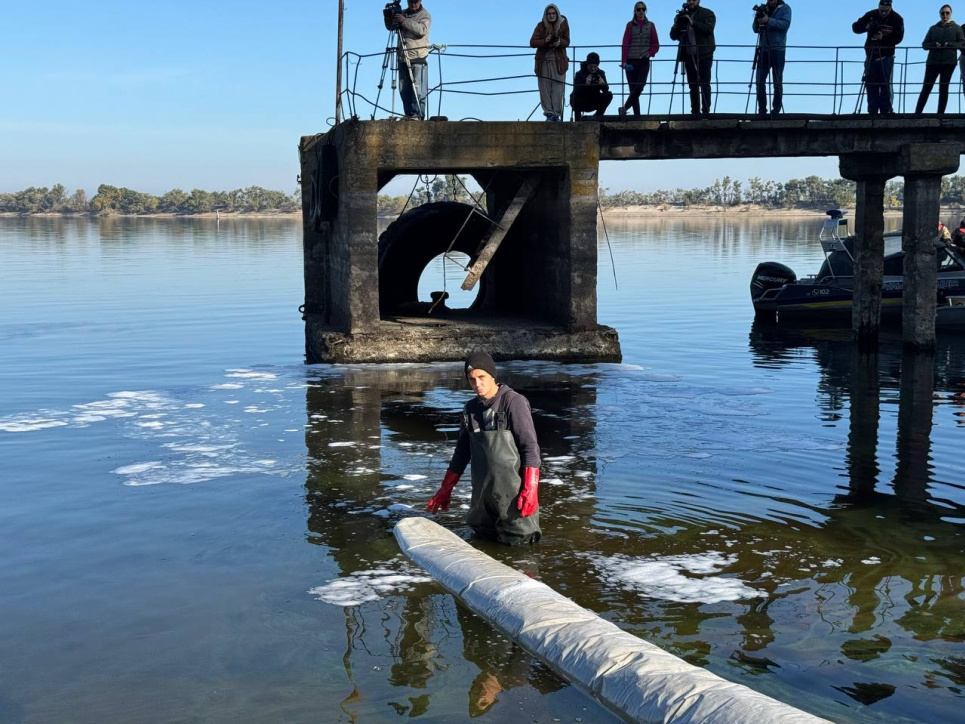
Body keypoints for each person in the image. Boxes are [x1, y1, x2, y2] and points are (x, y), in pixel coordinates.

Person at [427, 352, 542, 546]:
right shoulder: (470, 409)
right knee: (482, 543)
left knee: (521, 545)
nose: (477, 384)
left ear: (492, 376)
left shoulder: (513, 402)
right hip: (482, 502)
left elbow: (530, 448)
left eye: (482, 377)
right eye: (472, 380)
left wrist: (531, 490)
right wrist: (445, 489)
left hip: (514, 499)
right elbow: (462, 453)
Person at [852, 1, 905, 115]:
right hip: (871, 55)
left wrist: (883, 38)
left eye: (886, 10)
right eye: (881, 10)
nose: (883, 13)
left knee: (885, 84)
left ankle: (886, 110)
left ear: (890, 8)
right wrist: (866, 27)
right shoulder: (871, 14)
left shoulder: (897, 19)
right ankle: (872, 111)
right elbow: (855, 27)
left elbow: (899, 38)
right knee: (870, 84)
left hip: (886, 55)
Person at [915, 5, 965, 115]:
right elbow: (924, 44)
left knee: (943, 88)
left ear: (951, 14)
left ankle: (940, 114)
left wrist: (949, 44)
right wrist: (934, 44)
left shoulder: (957, 28)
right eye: (943, 13)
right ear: (939, 14)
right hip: (933, 62)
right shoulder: (933, 28)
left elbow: (962, 44)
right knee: (926, 87)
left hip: (948, 62)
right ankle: (917, 113)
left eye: (947, 13)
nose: (945, 15)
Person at [669, 0, 717, 116]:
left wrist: (692, 22)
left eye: (694, 0)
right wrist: (677, 24)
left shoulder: (707, 13)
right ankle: (695, 112)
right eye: (689, 0)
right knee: (693, 85)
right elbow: (673, 36)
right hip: (688, 55)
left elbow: (708, 29)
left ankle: (706, 112)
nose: (691, 2)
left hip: (704, 54)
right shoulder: (681, 16)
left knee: (704, 83)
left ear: (698, 1)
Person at [391, 0, 432, 120]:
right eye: (410, 2)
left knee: (418, 89)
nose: (413, 4)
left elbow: (421, 30)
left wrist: (404, 21)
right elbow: (391, 27)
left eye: (415, 2)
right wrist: (390, 18)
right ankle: (409, 114)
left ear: (420, 1)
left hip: (418, 56)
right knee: (404, 89)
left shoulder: (425, 15)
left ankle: (417, 114)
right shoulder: (402, 13)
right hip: (403, 56)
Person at [530, 5, 571, 122]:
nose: (551, 15)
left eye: (553, 13)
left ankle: (556, 114)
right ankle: (549, 113)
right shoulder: (540, 25)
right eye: (549, 14)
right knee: (545, 88)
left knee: (558, 88)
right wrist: (545, 41)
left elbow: (567, 41)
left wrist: (559, 42)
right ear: (546, 15)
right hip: (542, 61)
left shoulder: (563, 24)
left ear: (557, 14)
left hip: (559, 61)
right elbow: (532, 42)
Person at [620, 2, 660, 118]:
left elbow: (656, 44)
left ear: (645, 11)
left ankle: (625, 108)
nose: (641, 11)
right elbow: (625, 43)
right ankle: (637, 116)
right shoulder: (629, 25)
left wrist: (650, 53)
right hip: (631, 60)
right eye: (638, 9)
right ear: (635, 11)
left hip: (644, 60)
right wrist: (624, 61)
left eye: (643, 9)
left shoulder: (651, 25)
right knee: (633, 89)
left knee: (639, 87)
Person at [752, 0, 792, 116]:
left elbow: (785, 25)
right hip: (763, 49)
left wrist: (768, 20)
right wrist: (758, 20)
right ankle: (762, 110)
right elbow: (755, 29)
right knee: (759, 81)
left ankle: (776, 110)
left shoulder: (785, 8)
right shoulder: (763, 8)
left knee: (777, 82)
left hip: (778, 49)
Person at [571, 52, 613, 120]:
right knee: (575, 98)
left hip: (594, 99)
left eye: (595, 67)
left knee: (609, 95)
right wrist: (585, 85)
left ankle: (598, 116)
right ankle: (577, 120)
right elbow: (577, 91)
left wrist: (603, 84)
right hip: (582, 100)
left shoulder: (601, 73)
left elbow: (606, 90)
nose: (593, 69)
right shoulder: (579, 74)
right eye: (591, 66)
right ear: (587, 65)